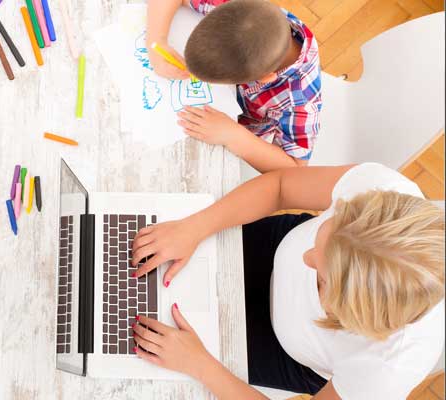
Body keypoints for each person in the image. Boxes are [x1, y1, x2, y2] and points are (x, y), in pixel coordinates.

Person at [130, 163, 445, 399]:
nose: (306, 261)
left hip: (286, 351)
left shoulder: (387, 370)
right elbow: (280, 186)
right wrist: (195, 227)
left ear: (356, 320)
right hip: (273, 244)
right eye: (322, 236)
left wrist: (200, 365)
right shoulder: (381, 190)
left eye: (321, 281)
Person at [147, 0, 322, 172]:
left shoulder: (301, 100)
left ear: (264, 78)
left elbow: (295, 168)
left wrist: (232, 135)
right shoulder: (240, 12)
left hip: (238, 131)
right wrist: (157, 40)